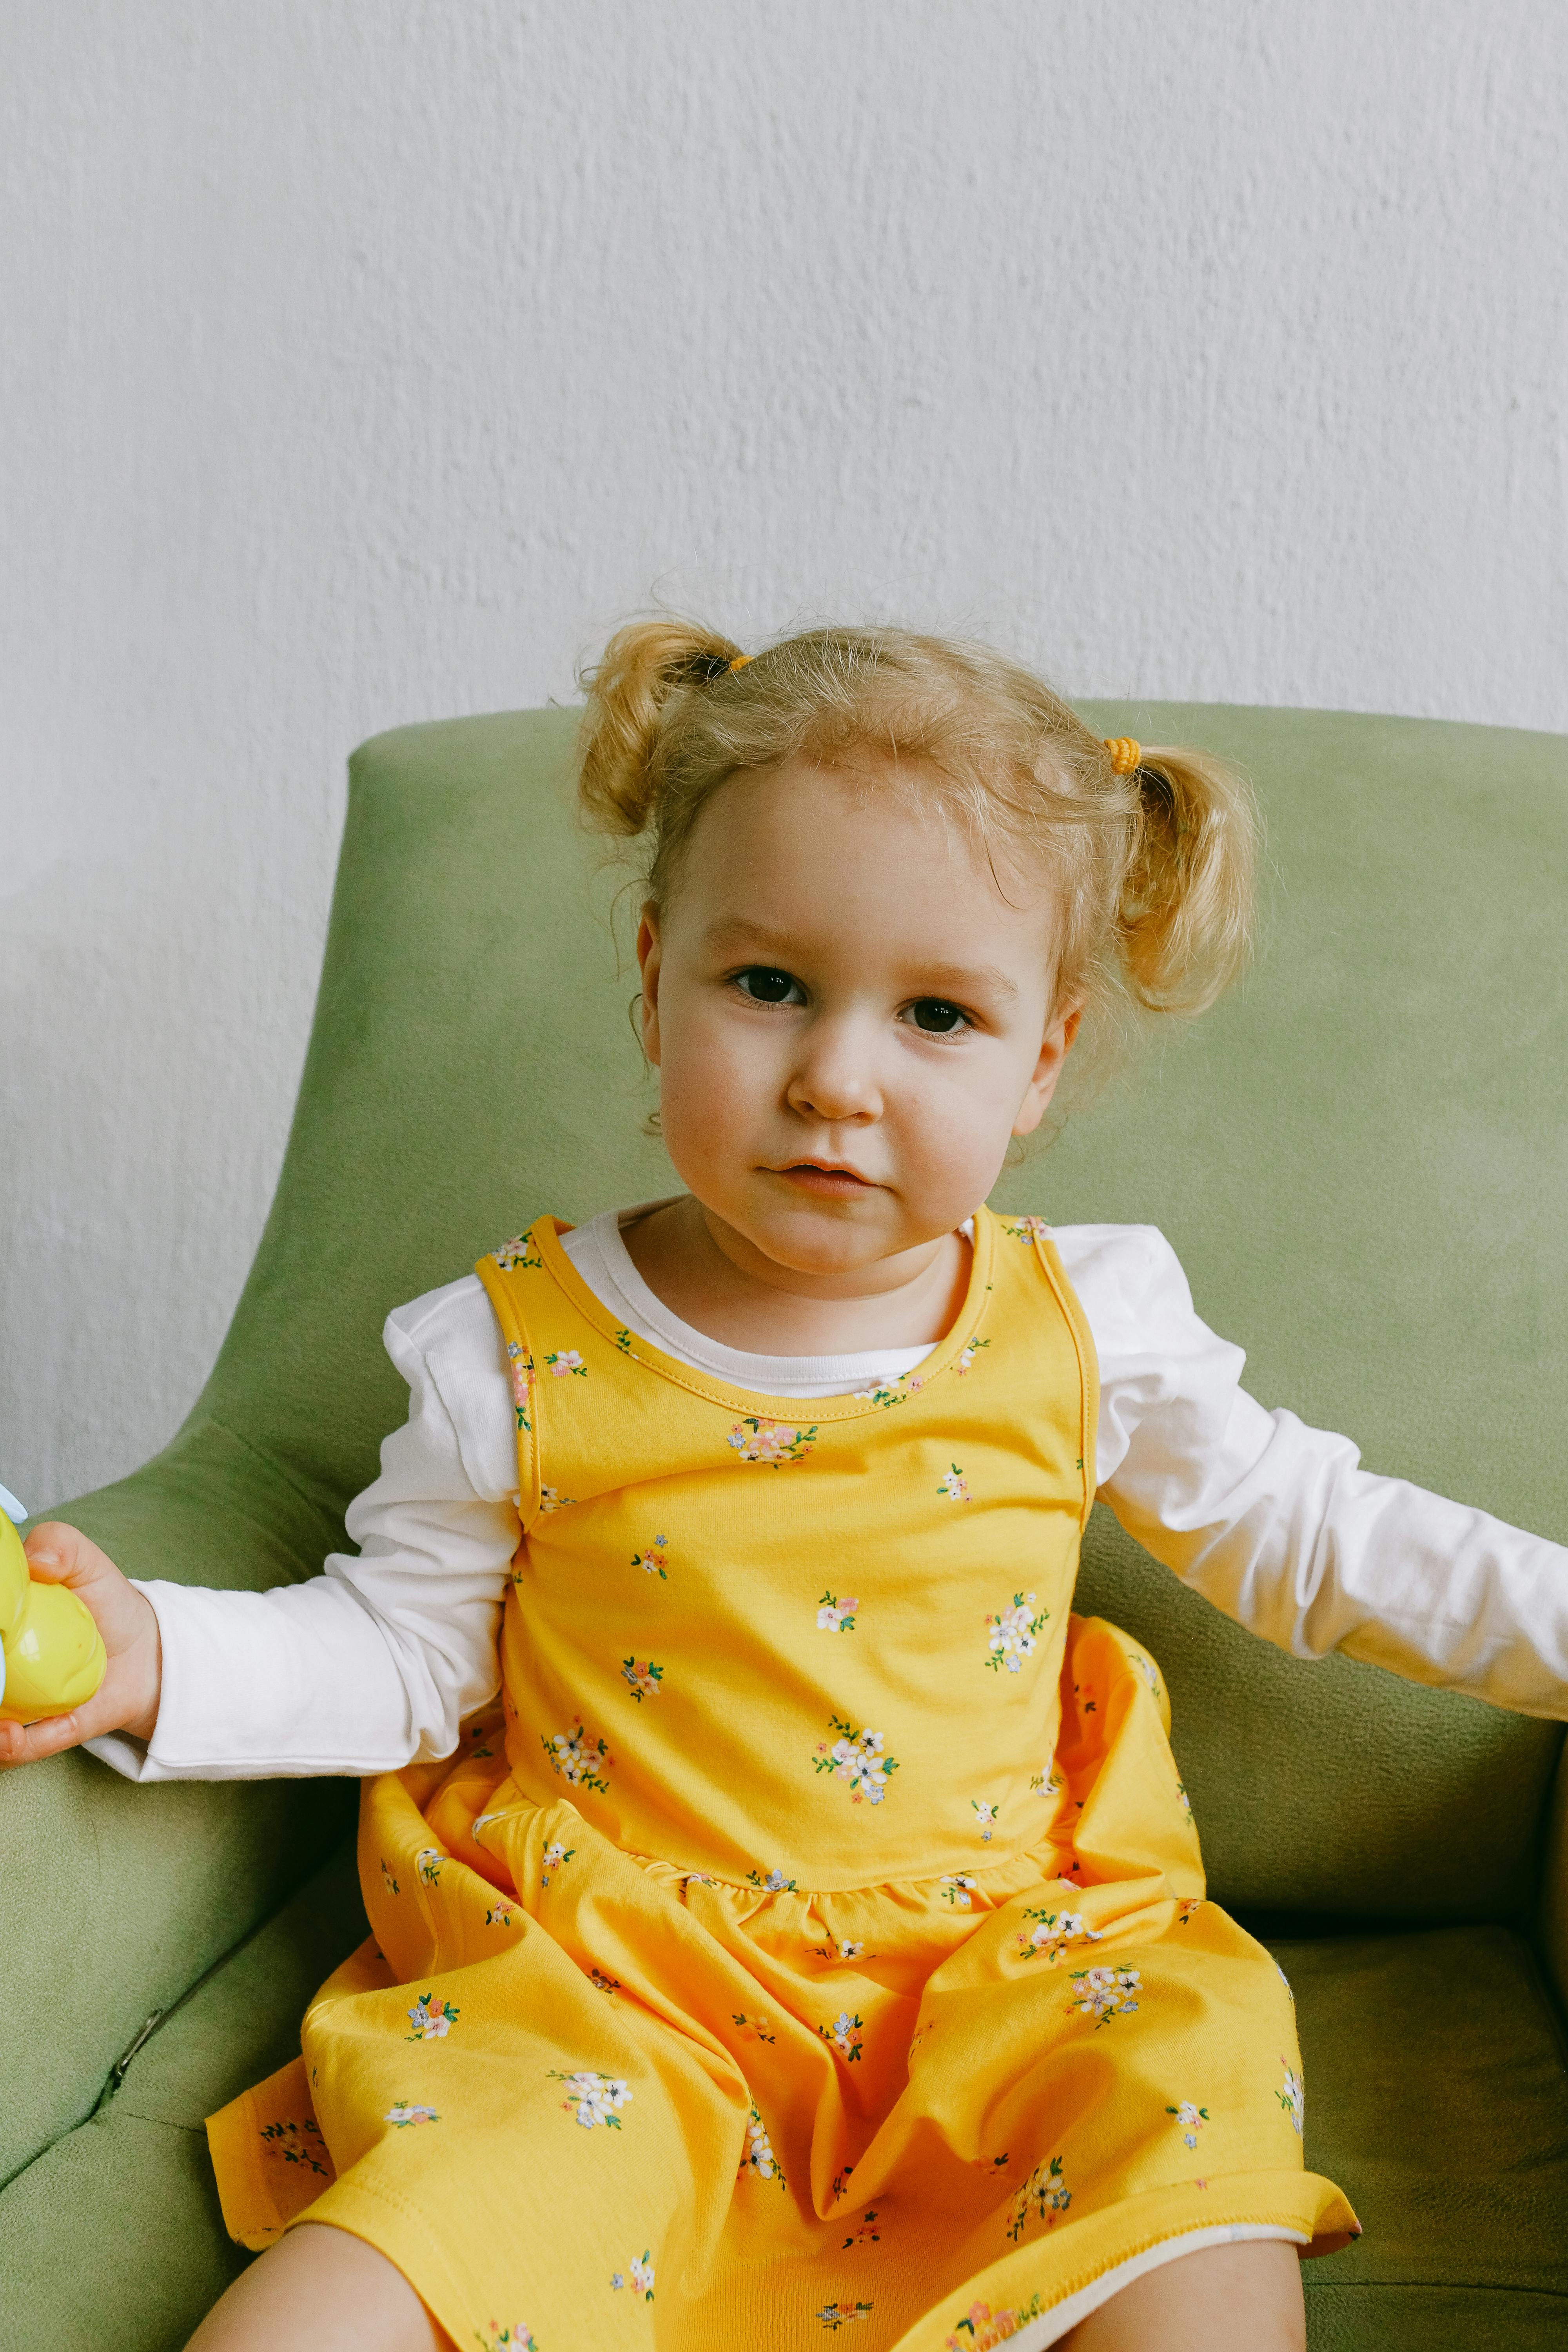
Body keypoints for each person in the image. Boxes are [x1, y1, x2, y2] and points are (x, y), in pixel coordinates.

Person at [9, 622, 1568, 2352]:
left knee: (1186, 2177)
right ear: (657, 972)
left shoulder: (1083, 1325)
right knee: (328, 2308)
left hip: (1009, 1976)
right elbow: (398, 1653)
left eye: (936, 1016)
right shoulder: (512, 1350)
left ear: (1038, 1061)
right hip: (611, 1996)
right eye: (768, 989)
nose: (838, 1077)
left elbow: (1319, 1540)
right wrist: (150, 1651)